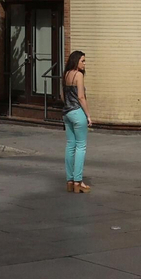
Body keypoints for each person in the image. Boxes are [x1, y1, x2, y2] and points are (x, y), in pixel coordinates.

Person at [64, 50, 90, 193]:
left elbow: (63, 95)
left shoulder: (66, 74)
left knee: (70, 146)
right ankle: (78, 181)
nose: (85, 64)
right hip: (77, 112)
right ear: (76, 61)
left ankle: (69, 180)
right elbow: (81, 97)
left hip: (66, 112)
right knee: (81, 147)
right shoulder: (78, 75)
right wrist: (88, 115)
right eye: (83, 61)